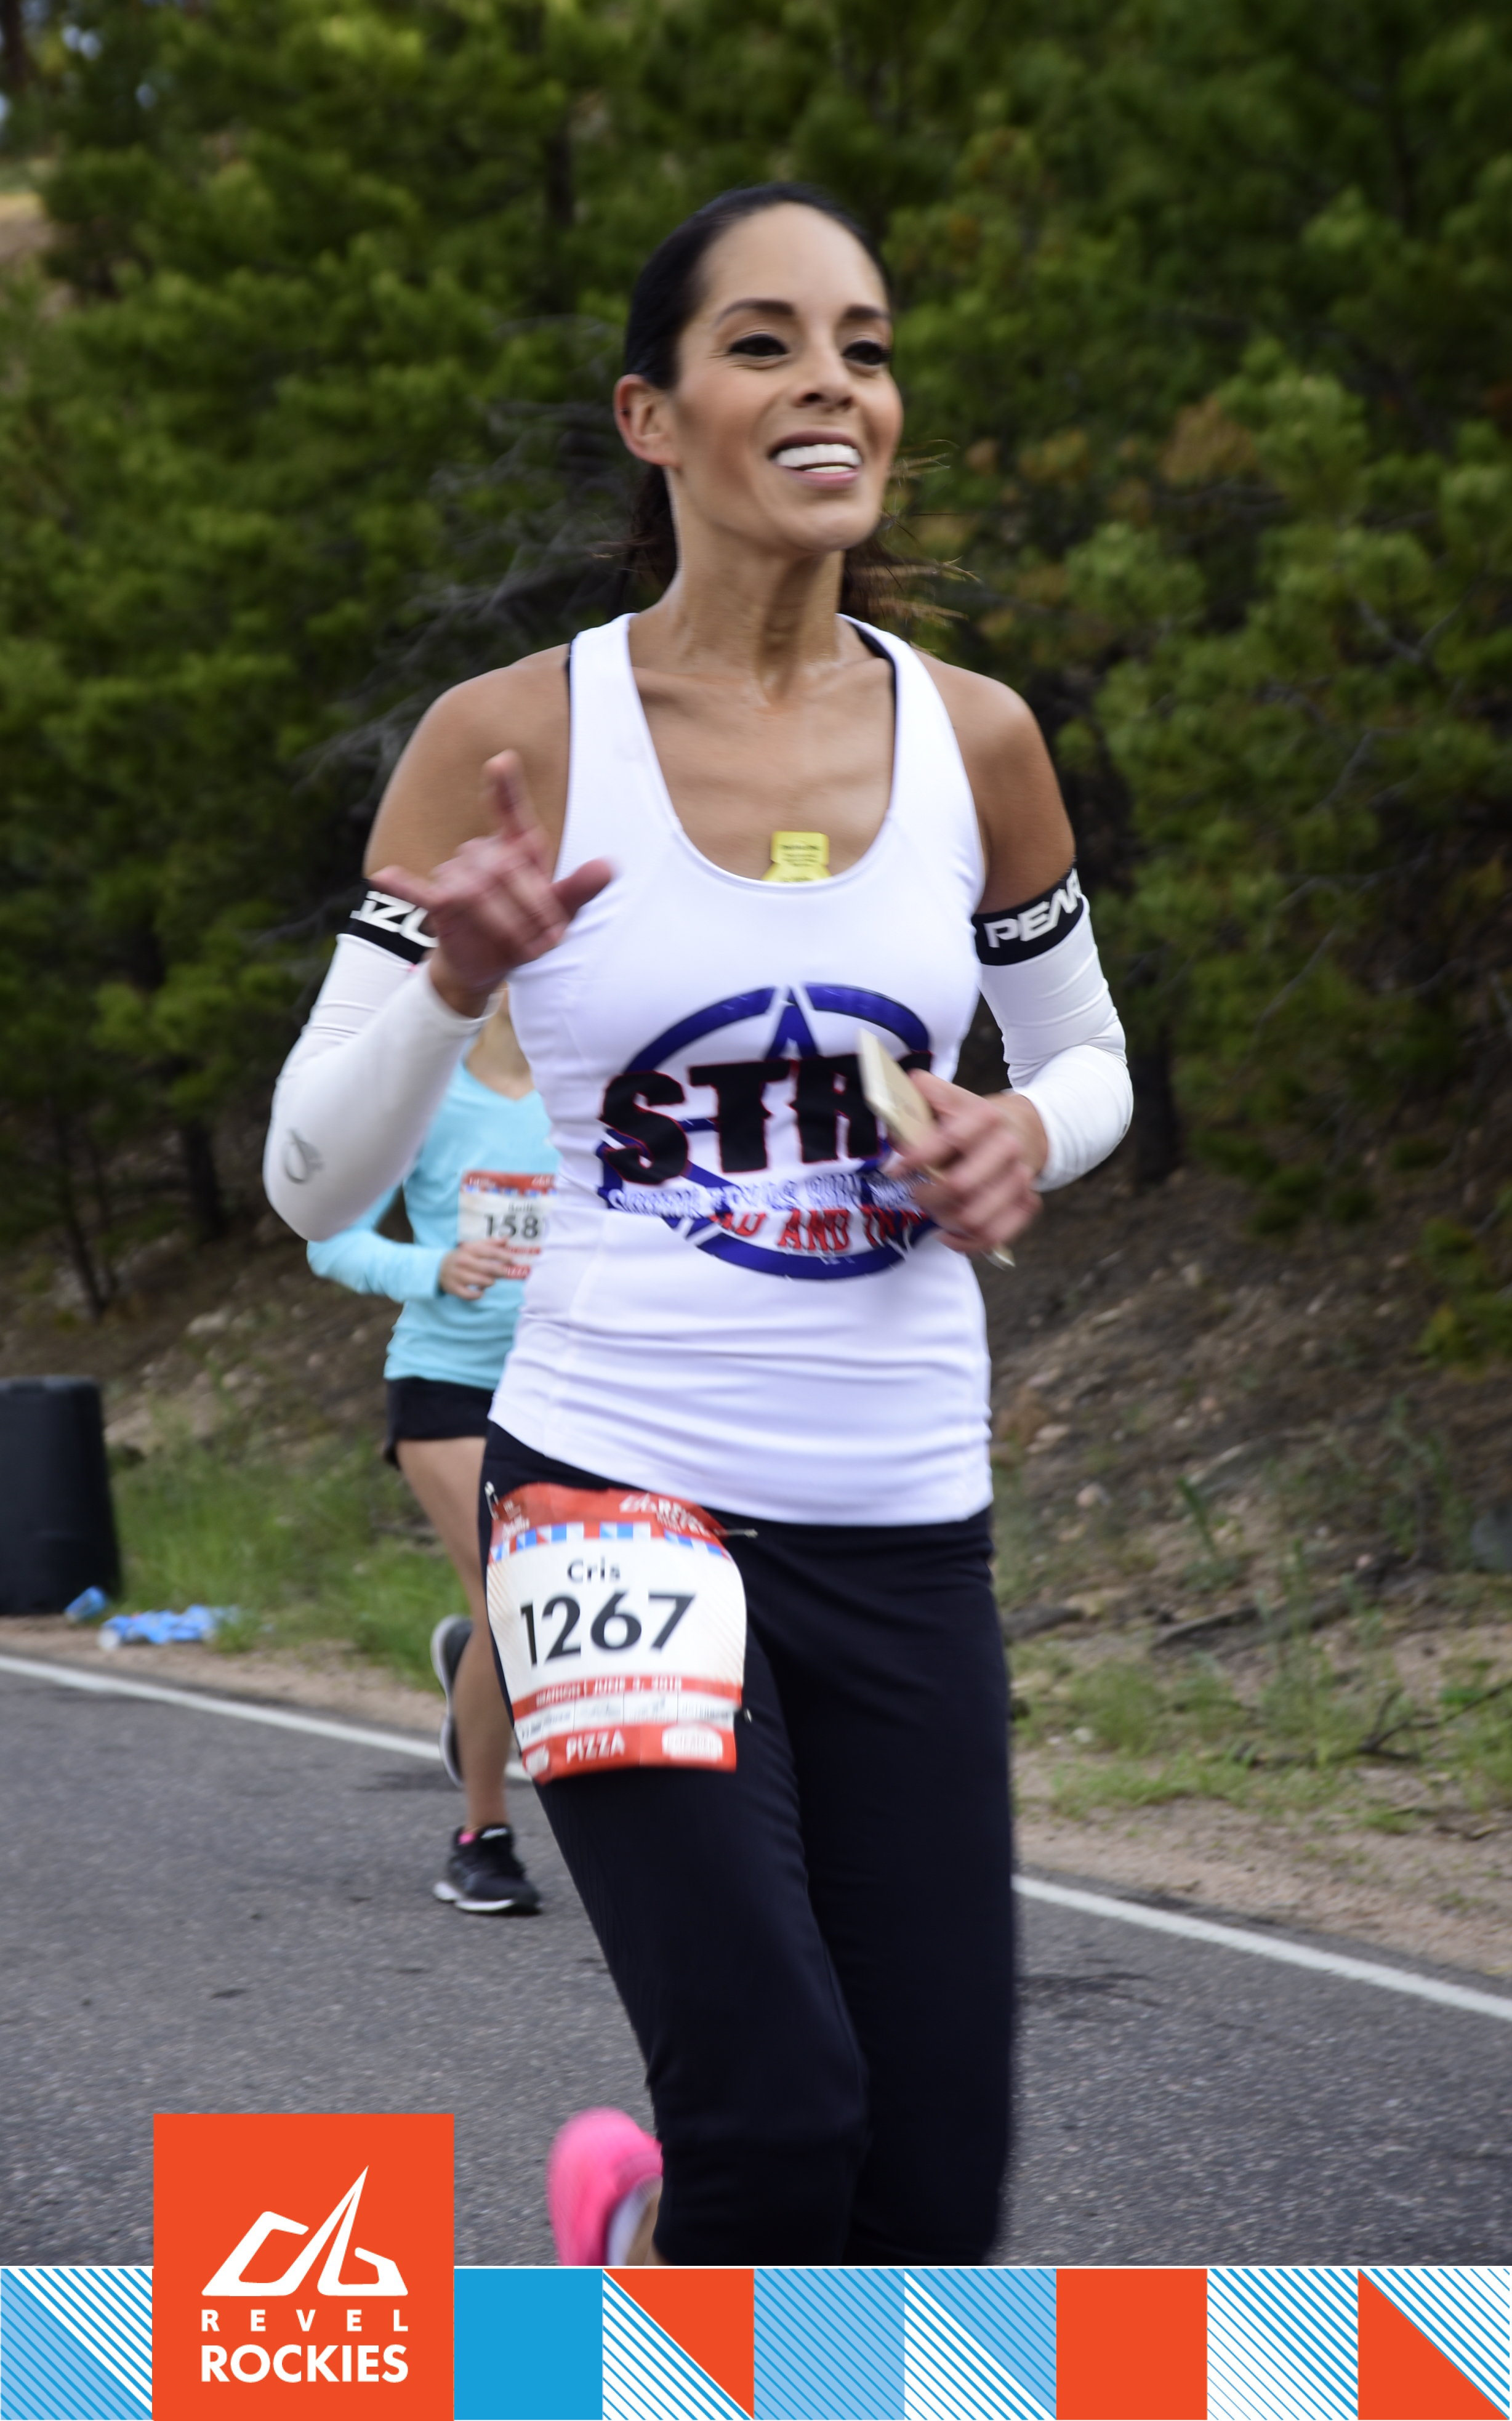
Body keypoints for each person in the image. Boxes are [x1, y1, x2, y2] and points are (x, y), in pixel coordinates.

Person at [264, 181, 1131, 2267]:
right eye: (765, 343)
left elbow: (1087, 1056)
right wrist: (457, 982)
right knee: (775, 2114)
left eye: (864, 346)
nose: (832, 382)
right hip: (613, 1498)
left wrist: (1027, 1131)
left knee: (928, 2193)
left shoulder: (978, 739)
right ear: (651, 419)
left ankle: (628, 2294)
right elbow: (309, 1174)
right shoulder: (510, 740)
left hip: (904, 1517)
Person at [306, 993, 555, 1916]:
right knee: (512, 1600)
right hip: (448, 1387)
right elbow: (330, 1236)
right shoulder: (426, 1096)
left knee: (552, 1607)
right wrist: (433, 1268)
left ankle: (472, 1672)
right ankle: (481, 1839)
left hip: (571, 1388)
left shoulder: (591, 1090)